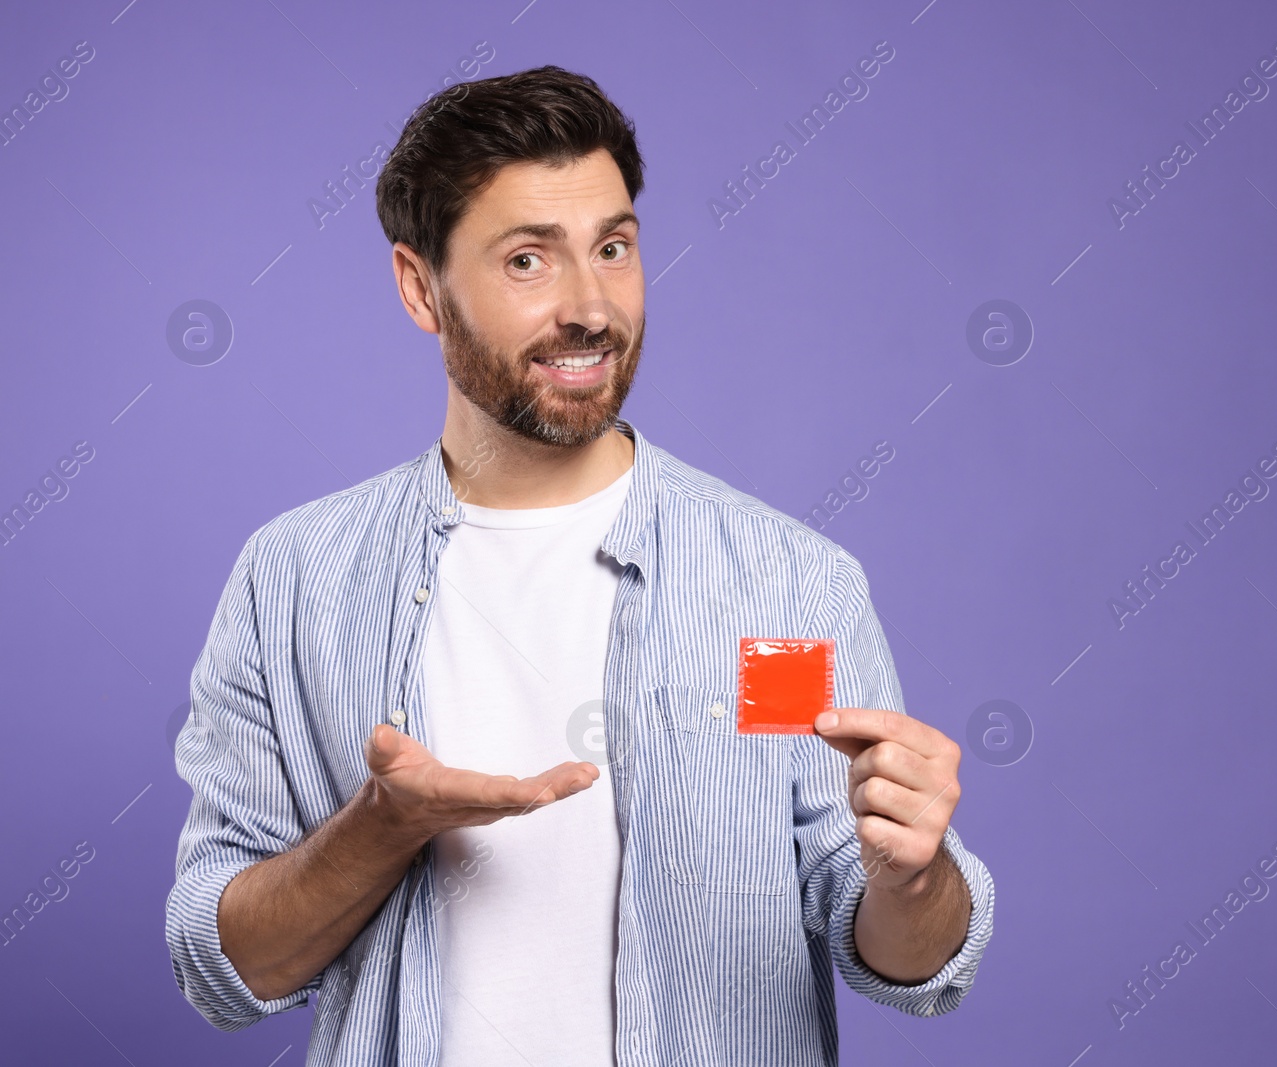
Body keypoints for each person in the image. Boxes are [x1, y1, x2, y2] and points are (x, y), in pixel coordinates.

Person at [165, 64, 994, 1067]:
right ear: (419, 287)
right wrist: (384, 826)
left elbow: (905, 965)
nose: (590, 306)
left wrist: (910, 876)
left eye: (613, 247)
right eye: (528, 261)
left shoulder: (775, 585)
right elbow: (224, 972)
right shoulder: (296, 580)